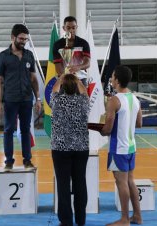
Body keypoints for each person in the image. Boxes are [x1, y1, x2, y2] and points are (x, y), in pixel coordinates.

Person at [0, 24, 41, 170]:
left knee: (26, 130)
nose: (23, 41)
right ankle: (9, 161)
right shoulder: (2, 57)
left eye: (25, 39)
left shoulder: (29, 55)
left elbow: (33, 79)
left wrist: (38, 98)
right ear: (12, 37)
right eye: (21, 39)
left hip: (27, 99)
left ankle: (27, 160)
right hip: (10, 100)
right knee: (8, 130)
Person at [100, 65, 143, 226]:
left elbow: (108, 128)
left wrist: (98, 129)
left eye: (112, 76)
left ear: (117, 80)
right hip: (131, 146)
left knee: (121, 182)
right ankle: (137, 216)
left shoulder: (114, 100)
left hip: (118, 147)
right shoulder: (135, 98)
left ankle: (125, 219)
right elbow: (139, 123)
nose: (111, 79)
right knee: (130, 180)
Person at [50, 73, 89, 226]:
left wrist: (61, 77)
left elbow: (53, 90)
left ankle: (66, 221)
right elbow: (84, 91)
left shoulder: (57, 101)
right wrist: (78, 79)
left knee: (63, 185)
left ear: (63, 88)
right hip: (81, 148)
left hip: (60, 149)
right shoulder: (83, 101)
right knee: (80, 183)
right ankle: (81, 220)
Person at [53, 16, 90, 87]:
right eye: (68, 28)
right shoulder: (57, 45)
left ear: (76, 27)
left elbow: (87, 63)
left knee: (82, 98)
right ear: (64, 28)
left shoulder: (83, 43)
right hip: (64, 79)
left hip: (81, 78)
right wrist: (66, 77)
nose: (71, 30)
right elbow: (58, 68)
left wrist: (78, 67)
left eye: (73, 28)